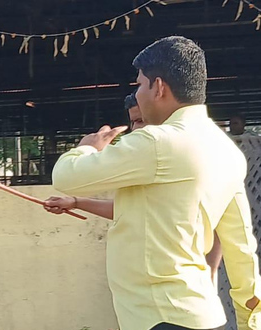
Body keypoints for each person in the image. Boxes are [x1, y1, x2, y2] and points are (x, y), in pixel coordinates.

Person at [51, 36, 261, 330]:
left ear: (160, 86)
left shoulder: (158, 143)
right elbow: (241, 243)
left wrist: (86, 148)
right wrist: (251, 322)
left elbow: (67, 175)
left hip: (167, 326)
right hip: (168, 324)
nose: (138, 93)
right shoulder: (226, 153)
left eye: (140, 83)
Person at [45, 93, 223, 284]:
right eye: (134, 122)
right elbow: (129, 207)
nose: (138, 128)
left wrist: (86, 149)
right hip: (147, 287)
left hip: (170, 287)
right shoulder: (148, 162)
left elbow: (66, 177)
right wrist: (76, 202)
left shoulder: (176, 155)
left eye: (142, 120)